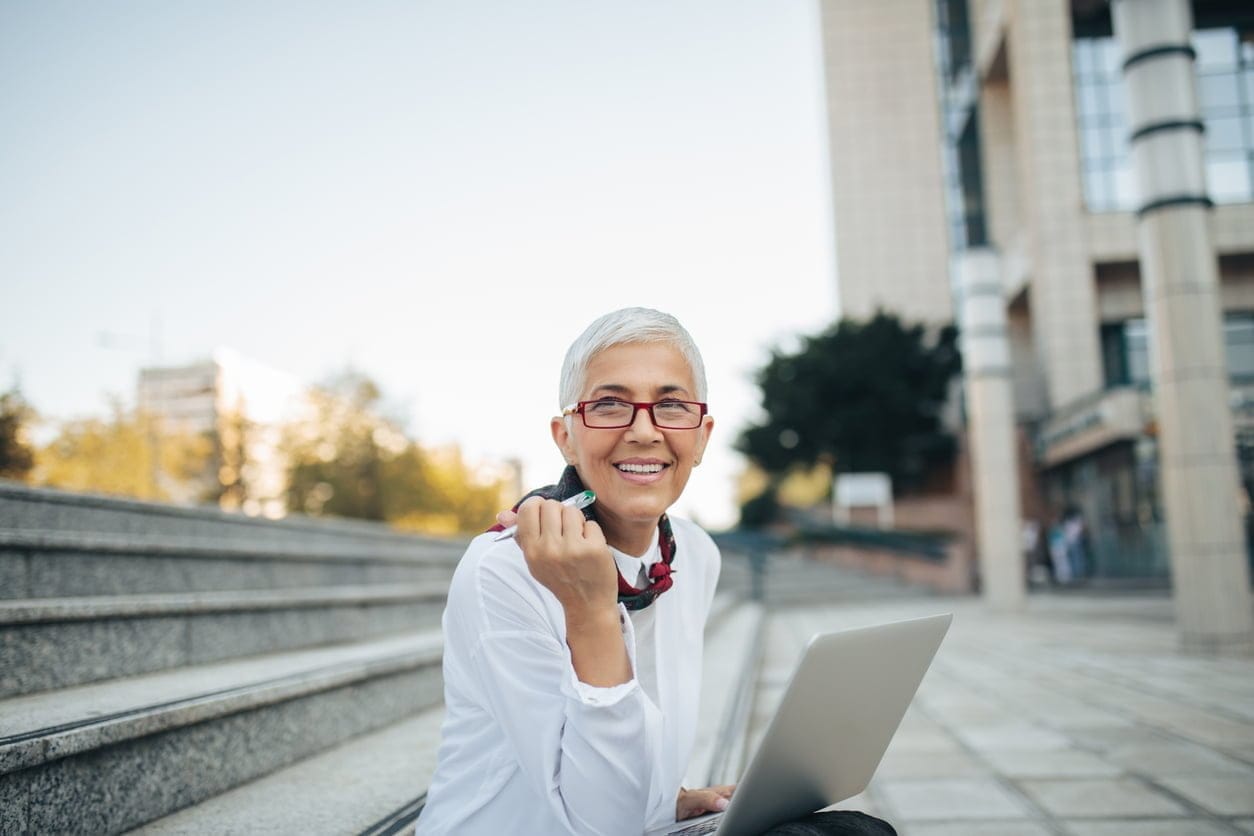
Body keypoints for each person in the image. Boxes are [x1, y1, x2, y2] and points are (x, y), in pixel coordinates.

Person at [416, 308, 896, 836]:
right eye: (609, 405)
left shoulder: (695, 552)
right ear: (566, 437)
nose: (644, 431)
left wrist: (663, 801)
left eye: (670, 405)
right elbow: (597, 827)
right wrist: (591, 612)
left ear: (703, 436)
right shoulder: (503, 570)